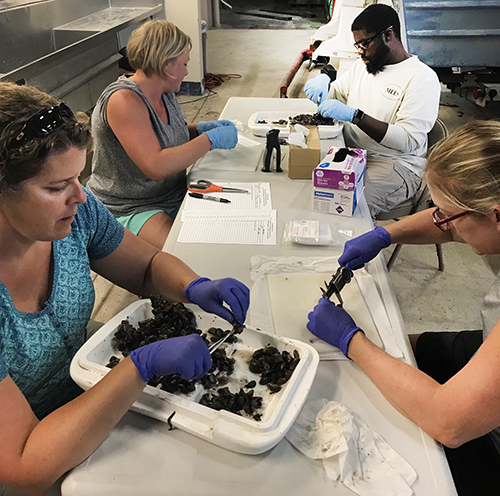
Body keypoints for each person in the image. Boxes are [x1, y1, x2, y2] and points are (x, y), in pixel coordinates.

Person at [0, 82, 250, 495]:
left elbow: (147, 266)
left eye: (78, 177)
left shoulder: (74, 217)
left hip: (80, 387)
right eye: (56, 187)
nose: (81, 196)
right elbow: (26, 465)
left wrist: (195, 284)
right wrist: (138, 367)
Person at [307, 120, 500, 496]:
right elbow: (447, 222)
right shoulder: (487, 211)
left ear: (495, 214)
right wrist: (385, 234)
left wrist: (351, 340)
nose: (442, 223)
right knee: (396, 348)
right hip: (486, 337)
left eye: (448, 214)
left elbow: (450, 422)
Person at [86, 20, 238, 249]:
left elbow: (163, 137)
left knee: (225, 229)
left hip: (168, 193)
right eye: (184, 64)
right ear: (167, 65)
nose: (187, 72)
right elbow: (155, 165)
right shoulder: (124, 100)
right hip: (130, 205)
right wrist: (209, 140)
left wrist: (198, 130)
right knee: (182, 252)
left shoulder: (164, 91)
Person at [304, 4, 441, 218]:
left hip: (396, 164)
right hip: (352, 151)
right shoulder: (365, 65)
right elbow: (337, 94)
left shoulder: (421, 78)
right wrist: (325, 83)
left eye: (365, 44)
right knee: (304, 183)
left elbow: (409, 140)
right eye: (357, 45)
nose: (360, 52)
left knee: (341, 205)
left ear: (388, 35)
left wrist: (356, 117)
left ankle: (355, 249)